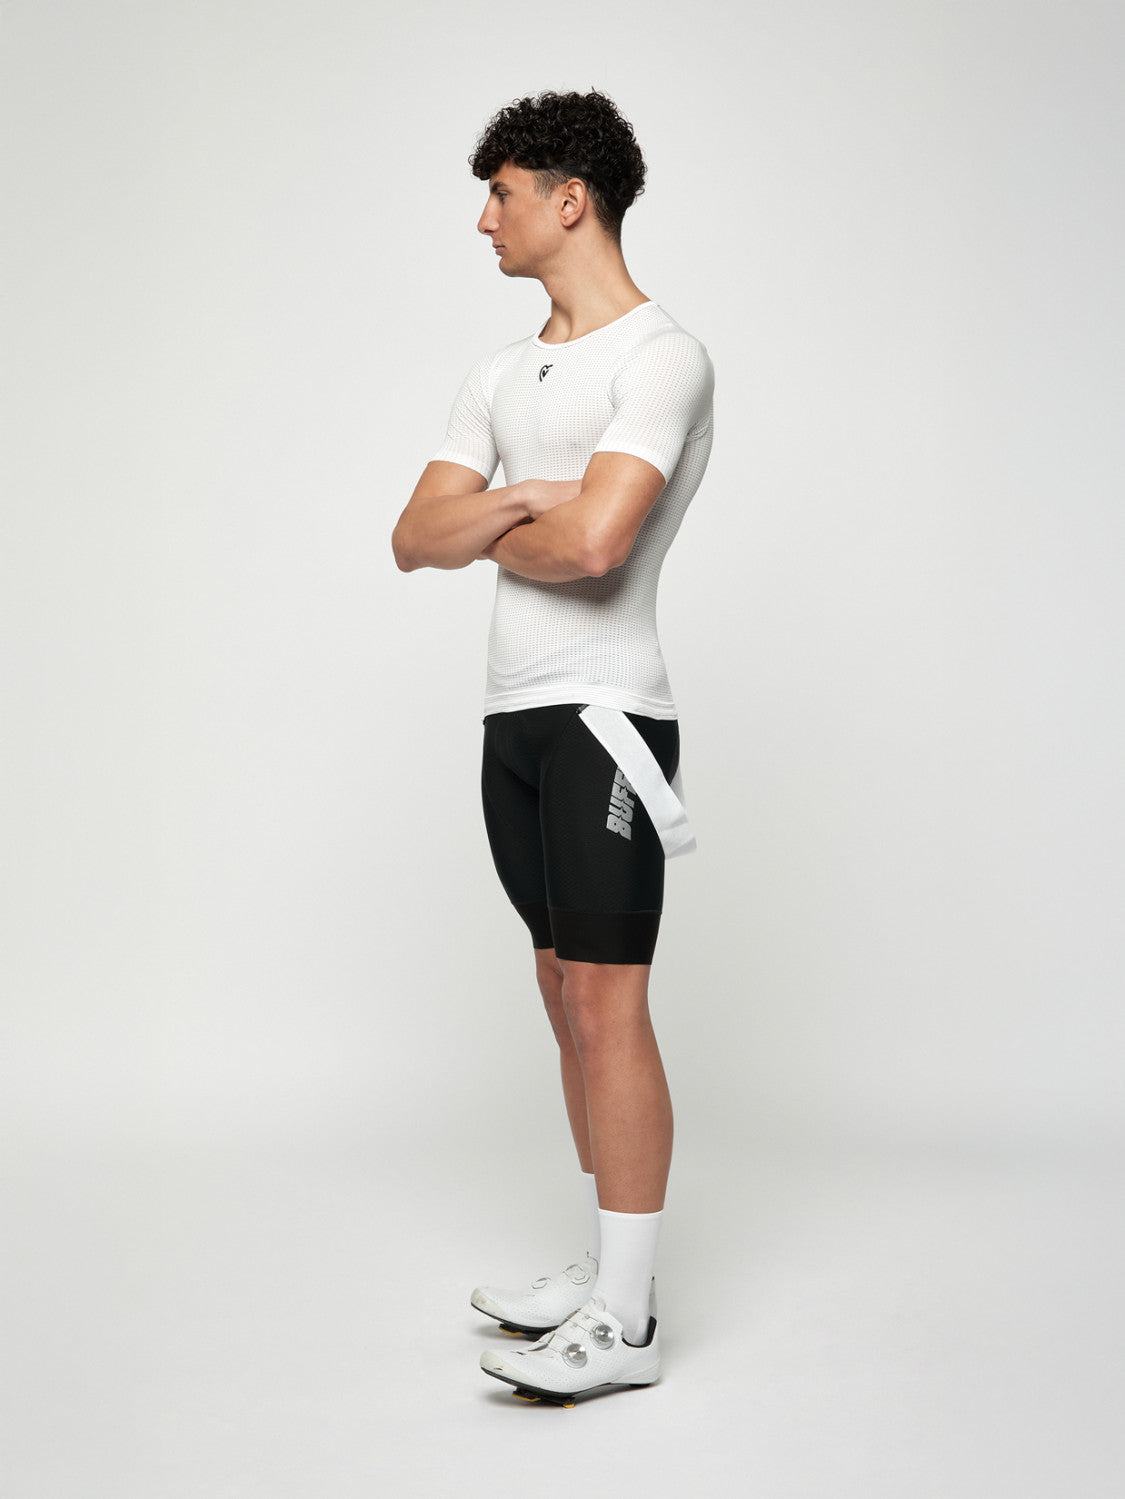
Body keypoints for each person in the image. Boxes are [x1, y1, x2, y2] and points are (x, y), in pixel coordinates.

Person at [392, 89, 714, 1405]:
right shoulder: (497, 374)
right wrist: (530, 496)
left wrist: (500, 519)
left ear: (568, 200)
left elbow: (597, 549)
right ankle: (603, 1271)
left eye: (503, 194)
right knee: (557, 995)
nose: (486, 220)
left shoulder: (662, 359)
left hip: (605, 722)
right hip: (511, 722)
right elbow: (413, 537)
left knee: (605, 1003)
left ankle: (626, 1325)